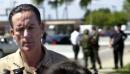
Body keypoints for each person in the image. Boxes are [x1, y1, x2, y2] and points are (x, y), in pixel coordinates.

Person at [0, 4, 68, 74]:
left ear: (41, 28)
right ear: (12, 33)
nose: (26, 35)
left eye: (31, 28)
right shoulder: (2, 67)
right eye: (20, 29)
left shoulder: (64, 65)